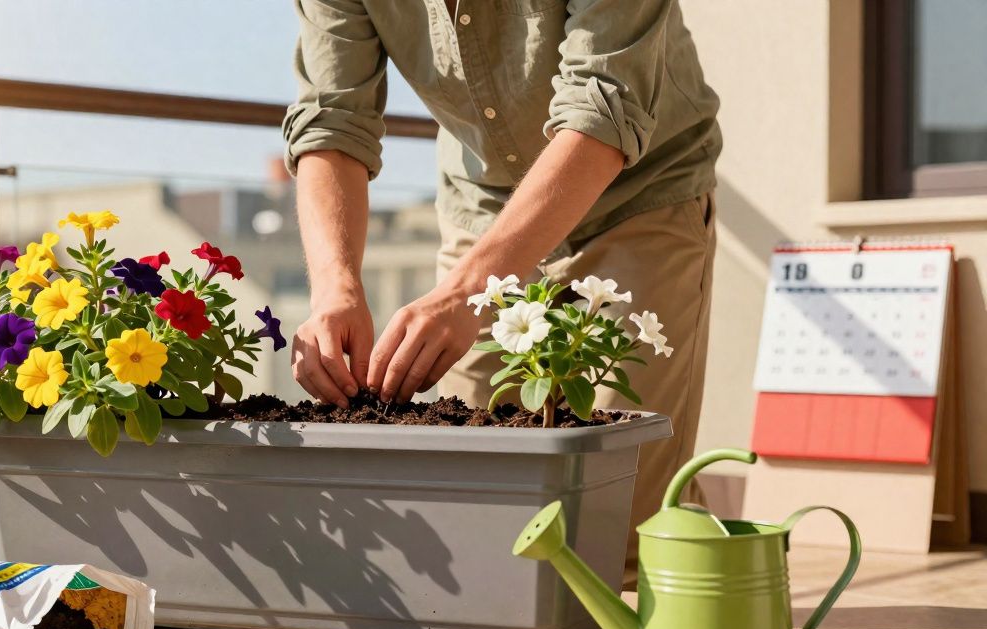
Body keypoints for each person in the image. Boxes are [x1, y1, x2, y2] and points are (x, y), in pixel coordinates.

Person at [282, 0, 720, 540]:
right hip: (484, 206)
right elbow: (331, 120)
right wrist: (334, 288)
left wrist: (464, 291)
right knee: (471, 494)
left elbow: (604, 108)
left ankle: (707, 562)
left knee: (623, 513)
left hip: (639, 194)